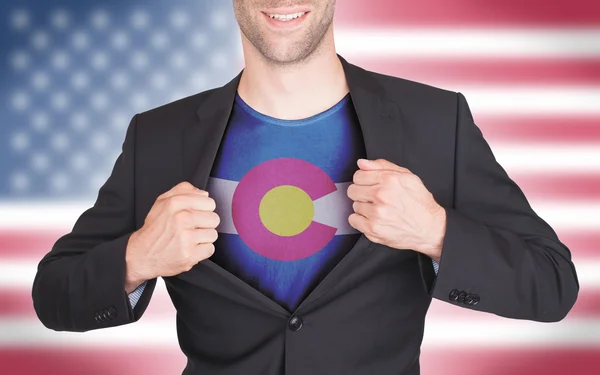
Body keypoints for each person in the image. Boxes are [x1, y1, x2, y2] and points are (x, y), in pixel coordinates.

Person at [32, 1, 579, 374]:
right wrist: (137, 258)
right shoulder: (159, 136)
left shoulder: (435, 121)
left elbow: (552, 284)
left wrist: (437, 232)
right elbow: (54, 294)